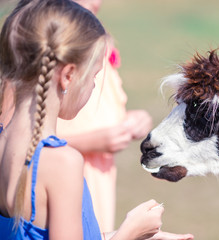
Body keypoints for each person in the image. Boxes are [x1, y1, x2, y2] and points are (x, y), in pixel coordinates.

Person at [0, 1, 194, 239]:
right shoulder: (62, 163)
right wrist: (129, 232)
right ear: (68, 75)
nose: (93, 85)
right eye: (94, 76)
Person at [56, 0, 153, 232]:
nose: (95, 2)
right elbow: (28, 138)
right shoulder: (55, 56)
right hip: (69, 182)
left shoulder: (94, 45)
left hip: (98, 183)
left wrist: (132, 119)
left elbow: (103, 109)